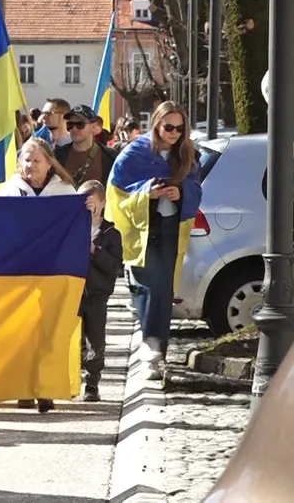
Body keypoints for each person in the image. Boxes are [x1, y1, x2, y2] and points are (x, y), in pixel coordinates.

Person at [107, 101, 201, 380]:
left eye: (180, 128)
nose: (174, 133)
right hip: (144, 228)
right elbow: (116, 193)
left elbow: (195, 188)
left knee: (163, 291)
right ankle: (151, 348)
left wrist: (179, 192)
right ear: (156, 125)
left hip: (172, 226)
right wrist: (146, 192)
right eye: (168, 127)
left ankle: (156, 348)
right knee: (149, 287)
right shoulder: (133, 153)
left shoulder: (186, 154)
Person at [0, 137, 77, 413]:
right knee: (21, 330)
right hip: (18, 271)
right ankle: (23, 389)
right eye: (26, 160)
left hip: (53, 270)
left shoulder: (65, 192)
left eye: (36, 160)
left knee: (49, 330)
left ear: (49, 162)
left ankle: (46, 389)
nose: (30, 165)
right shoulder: (9, 191)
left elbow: (76, 226)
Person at [78, 180, 122, 402]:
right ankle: (71, 378)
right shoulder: (73, 228)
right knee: (74, 339)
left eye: (92, 205)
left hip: (97, 293)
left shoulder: (111, 233)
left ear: (103, 204)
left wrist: (95, 250)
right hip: (74, 292)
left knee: (95, 339)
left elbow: (114, 266)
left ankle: (92, 383)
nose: (88, 210)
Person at [54, 105, 116, 188]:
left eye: (80, 124)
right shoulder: (57, 155)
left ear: (93, 127)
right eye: (70, 125)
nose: (74, 129)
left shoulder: (110, 157)